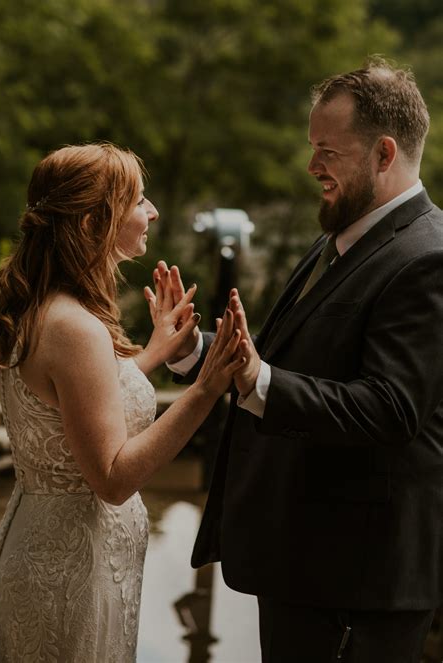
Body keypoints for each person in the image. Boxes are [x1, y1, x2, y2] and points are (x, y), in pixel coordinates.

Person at [154, 57, 443, 662]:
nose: (312, 166)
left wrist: (257, 380)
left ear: (384, 154)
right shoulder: (340, 238)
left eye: (327, 151)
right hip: (308, 567)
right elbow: (289, 356)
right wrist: (193, 350)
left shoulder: (427, 256)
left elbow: (392, 409)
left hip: (357, 583)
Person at [0, 142, 244, 663]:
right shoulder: (75, 328)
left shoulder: (41, 306)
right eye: (139, 201)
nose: (153, 211)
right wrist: (206, 387)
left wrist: (155, 353)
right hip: (72, 568)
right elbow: (114, 478)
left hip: (49, 545)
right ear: (96, 223)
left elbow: (73, 404)